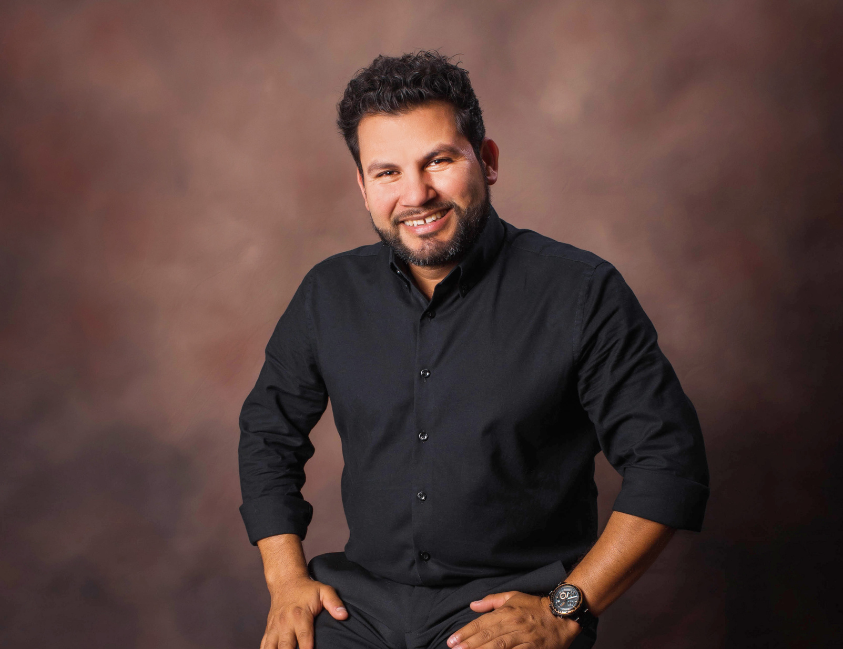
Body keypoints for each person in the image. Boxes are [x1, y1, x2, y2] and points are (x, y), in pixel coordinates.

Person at [238, 51, 709, 649]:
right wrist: (284, 580)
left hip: (508, 607)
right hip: (357, 610)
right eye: (388, 173)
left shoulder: (581, 293)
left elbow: (668, 464)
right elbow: (267, 433)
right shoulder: (327, 294)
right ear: (362, 186)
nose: (417, 195)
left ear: (486, 161)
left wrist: (567, 608)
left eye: (438, 161)